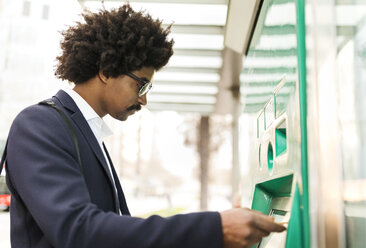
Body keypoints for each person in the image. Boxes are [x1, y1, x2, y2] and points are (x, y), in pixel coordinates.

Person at [3, 4, 285, 248]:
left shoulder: (85, 131)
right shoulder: (39, 125)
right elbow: (79, 231)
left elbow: (114, 229)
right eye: (141, 84)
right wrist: (215, 228)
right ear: (105, 71)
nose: (144, 98)